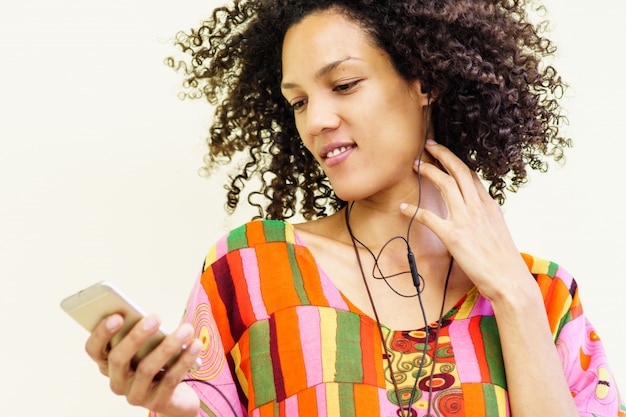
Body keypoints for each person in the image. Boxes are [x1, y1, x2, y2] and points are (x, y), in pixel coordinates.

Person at [84, 0, 625, 416]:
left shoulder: (546, 297)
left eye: (343, 85)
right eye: (298, 101)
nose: (315, 120)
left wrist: (514, 299)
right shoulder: (253, 268)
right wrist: (175, 408)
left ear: (425, 80)